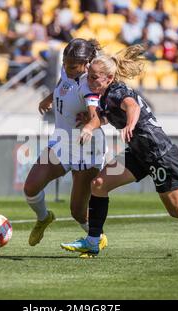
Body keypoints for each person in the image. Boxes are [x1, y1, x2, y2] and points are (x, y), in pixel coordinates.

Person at [60, 45, 178, 260]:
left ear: (108, 78)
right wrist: (90, 125)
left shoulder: (117, 91)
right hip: (138, 153)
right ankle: (92, 241)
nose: (89, 82)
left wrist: (130, 125)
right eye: (88, 77)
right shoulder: (106, 95)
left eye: (94, 78)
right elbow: (105, 116)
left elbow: (132, 107)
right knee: (99, 184)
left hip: (159, 153)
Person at [24, 38, 108, 250]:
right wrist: (50, 98)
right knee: (31, 187)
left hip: (87, 148)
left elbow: (98, 117)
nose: (68, 68)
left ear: (87, 63)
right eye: (66, 63)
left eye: (73, 66)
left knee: (77, 212)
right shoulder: (67, 69)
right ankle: (44, 218)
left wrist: (90, 125)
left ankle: (96, 237)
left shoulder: (89, 84)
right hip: (62, 142)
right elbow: (65, 85)